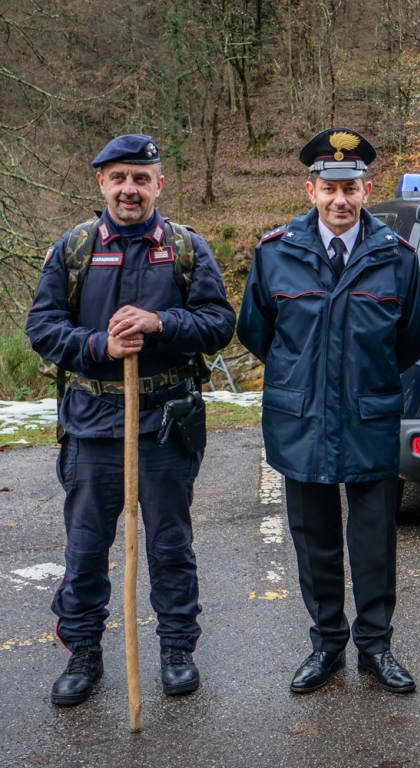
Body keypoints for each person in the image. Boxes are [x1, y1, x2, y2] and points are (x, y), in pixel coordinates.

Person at [25, 134, 236, 706]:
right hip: (93, 424)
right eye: (118, 178)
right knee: (86, 547)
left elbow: (219, 323)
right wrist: (99, 346)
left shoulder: (187, 248)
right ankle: (83, 653)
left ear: (158, 185)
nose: (129, 189)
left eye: (141, 178)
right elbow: (42, 329)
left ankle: (176, 649)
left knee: (170, 544)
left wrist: (162, 322)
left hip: (166, 423)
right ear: (101, 183)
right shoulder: (74, 249)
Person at [238, 128, 420, 695]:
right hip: (301, 423)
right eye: (328, 188)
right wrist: (304, 379)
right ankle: (325, 645)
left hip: (368, 421)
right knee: (314, 541)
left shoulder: (397, 258)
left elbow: (410, 338)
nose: (339, 200)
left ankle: (376, 648)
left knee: (374, 544)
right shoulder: (275, 253)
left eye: (350, 188)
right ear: (310, 190)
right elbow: (257, 331)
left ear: (366, 190)